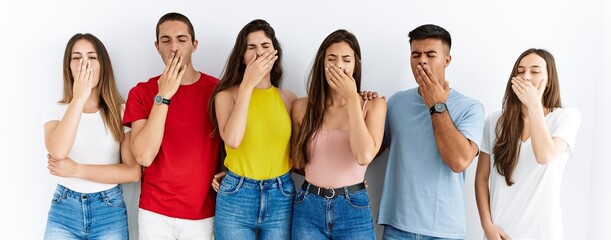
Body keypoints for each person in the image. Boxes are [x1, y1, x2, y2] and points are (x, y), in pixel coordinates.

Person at [378, 24, 485, 240]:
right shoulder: (396, 102)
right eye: (415, 54)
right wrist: (363, 106)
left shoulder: (471, 107)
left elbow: (459, 161)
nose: (422, 61)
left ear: (447, 60)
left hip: (445, 232)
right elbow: (370, 151)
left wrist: (437, 105)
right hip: (398, 228)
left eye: (430, 54)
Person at [122, 12, 220, 239]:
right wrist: (163, 95)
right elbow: (144, 156)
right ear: (157, 46)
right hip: (155, 212)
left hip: (202, 213)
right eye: (166, 40)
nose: (174, 47)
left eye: (182, 39)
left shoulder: (217, 91)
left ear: (194, 45)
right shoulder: (141, 92)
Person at [475, 49, 581, 240]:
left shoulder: (566, 118)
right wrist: (487, 226)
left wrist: (534, 105)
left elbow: (545, 155)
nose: (525, 76)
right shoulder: (495, 121)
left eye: (535, 71)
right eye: (520, 70)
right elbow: (482, 177)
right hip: (499, 234)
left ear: (548, 80)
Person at [290, 29, 387, 240]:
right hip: (308, 206)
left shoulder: (373, 106)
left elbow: (363, 156)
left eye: (346, 59)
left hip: (353, 206)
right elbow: (296, 161)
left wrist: (352, 99)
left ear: (356, 64)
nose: (339, 66)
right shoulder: (301, 107)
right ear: (321, 63)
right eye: (331, 58)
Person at [43, 33, 141, 239]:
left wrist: (76, 169)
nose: (84, 64)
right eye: (76, 57)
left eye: (92, 57)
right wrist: (79, 98)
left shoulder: (120, 110)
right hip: (64, 210)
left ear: (103, 65)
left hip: (109, 210)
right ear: (68, 66)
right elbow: (58, 151)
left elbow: (132, 172)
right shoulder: (57, 110)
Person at [209, 19, 296, 240]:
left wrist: (349, 177)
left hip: (281, 194)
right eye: (251, 47)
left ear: (275, 52)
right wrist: (248, 85)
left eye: (265, 46)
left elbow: (305, 151)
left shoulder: (289, 99)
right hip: (237, 195)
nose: (259, 53)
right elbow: (233, 140)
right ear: (242, 56)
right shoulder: (226, 96)